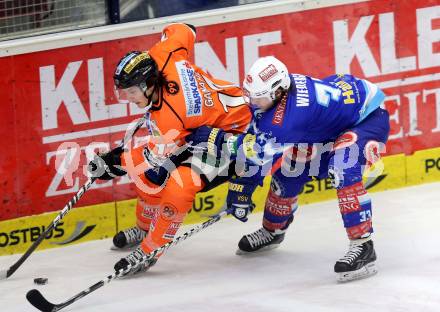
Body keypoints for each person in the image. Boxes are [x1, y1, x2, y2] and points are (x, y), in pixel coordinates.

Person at [186, 56, 390, 282]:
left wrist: (219, 140)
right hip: (332, 120)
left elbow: (257, 152)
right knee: (288, 169)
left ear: (277, 92)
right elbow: (256, 142)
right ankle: (273, 231)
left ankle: (364, 247)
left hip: (367, 118)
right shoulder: (277, 98)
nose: (253, 102)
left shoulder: (288, 119)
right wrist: (242, 187)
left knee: (342, 167)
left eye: (258, 97)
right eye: (250, 95)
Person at [89, 23, 252, 275]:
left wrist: (112, 164)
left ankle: (150, 249)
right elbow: (185, 29)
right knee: (149, 177)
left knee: (179, 184)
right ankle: (144, 227)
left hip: (235, 135)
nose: (128, 98)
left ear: (148, 85)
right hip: (203, 127)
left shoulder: (171, 117)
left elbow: (150, 157)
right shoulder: (162, 54)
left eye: (131, 91)